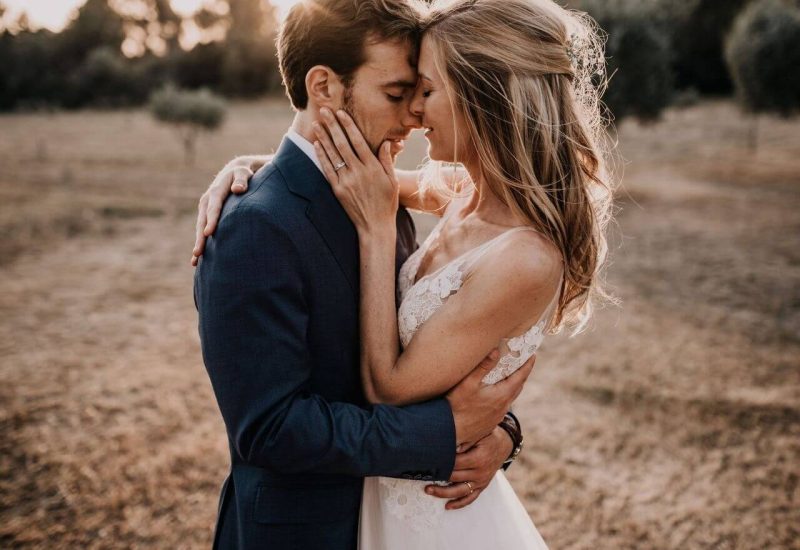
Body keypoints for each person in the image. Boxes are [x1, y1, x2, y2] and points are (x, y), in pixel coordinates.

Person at [192, 1, 533, 548]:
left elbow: (430, 346)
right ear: (323, 87)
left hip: (406, 522)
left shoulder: (379, 191)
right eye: (396, 95)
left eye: (419, 93)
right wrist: (445, 434)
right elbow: (270, 428)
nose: (415, 116)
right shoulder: (251, 228)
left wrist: (499, 434)